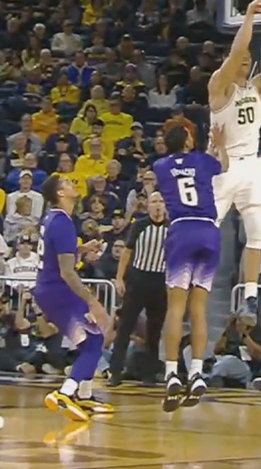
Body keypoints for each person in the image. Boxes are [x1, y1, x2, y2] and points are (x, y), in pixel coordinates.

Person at [208, 0, 261, 318]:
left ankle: (251, 295)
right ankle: (193, 278)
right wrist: (251, 14)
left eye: (248, 57)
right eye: (239, 56)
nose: (244, 59)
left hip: (251, 165)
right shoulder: (219, 84)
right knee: (209, 226)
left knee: (258, 226)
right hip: (223, 165)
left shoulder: (256, 88)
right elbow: (236, 50)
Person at [153, 124, 225, 412]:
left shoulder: (160, 166)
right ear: (186, 140)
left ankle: (171, 371)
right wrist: (217, 145)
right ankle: (196, 372)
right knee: (198, 309)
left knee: (175, 308)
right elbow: (222, 166)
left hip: (181, 230)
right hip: (208, 230)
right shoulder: (203, 160)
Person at [35, 175, 113, 423]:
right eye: (67, 182)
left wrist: (81, 249)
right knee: (93, 341)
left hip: (48, 289)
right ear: (59, 193)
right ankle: (64, 393)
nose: (73, 183)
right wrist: (93, 301)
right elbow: (67, 272)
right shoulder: (62, 223)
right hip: (58, 290)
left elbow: (55, 253)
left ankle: (84, 394)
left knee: (91, 341)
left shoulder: (53, 218)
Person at [107, 193, 169, 387]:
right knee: (125, 325)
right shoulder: (139, 225)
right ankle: (115, 371)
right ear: (148, 206)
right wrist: (119, 278)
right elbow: (127, 252)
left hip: (160, 280)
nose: (157, 206)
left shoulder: (173, 228)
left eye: (160, 202)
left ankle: (149, 374)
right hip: (138, 278)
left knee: (154, 329)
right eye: (154, 202)